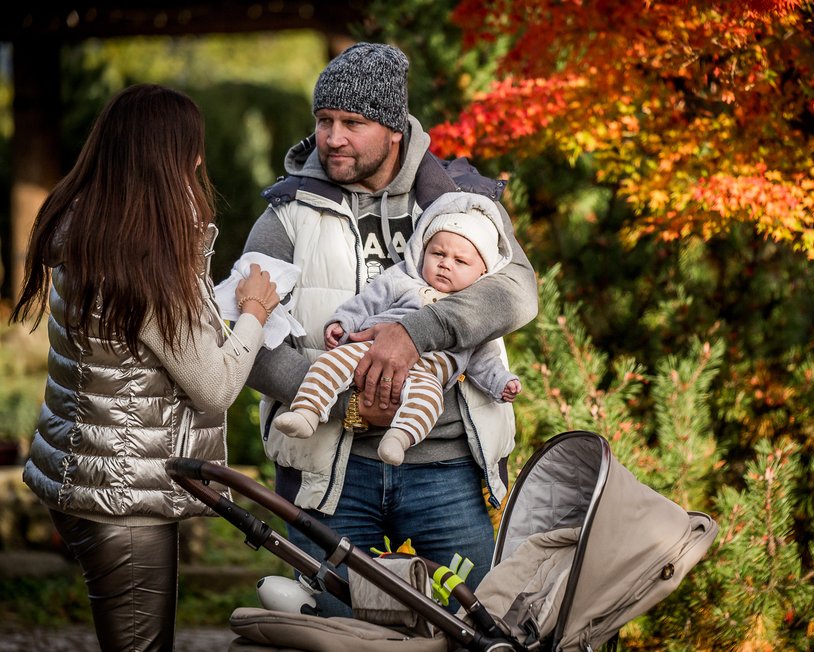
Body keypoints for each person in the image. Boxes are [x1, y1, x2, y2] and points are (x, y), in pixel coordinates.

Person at [242, 42, 538, 614]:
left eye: (352, 123)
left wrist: (414, 333)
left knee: (477, 628)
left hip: (446, 471)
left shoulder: (461, 200)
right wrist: (350, 399)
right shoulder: (286, 213)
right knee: (330, 635)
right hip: (330, 475)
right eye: (324, 121)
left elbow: (517, 292)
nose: (332, 137)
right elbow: (251, 344)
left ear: (395, 129)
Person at [10, 83, 280, 652]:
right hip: (122, 499)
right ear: (171, 157)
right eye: (192, 147)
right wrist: (254, 310)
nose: (201, 159)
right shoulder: (142, 262)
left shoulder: (88, 226)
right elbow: (214, 386)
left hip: (85, 477)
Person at [272, 191, 523, 465]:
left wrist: (501, 383)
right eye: (437, 253)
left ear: (482, 272)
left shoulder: (473, 312)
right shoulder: (402, 280)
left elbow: (486, 361)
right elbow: (367, 302)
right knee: (330, 362)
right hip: (369, 351)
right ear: (421, 251)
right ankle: (307, 411)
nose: (445, 264)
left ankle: (398, 439)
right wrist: (343, 323)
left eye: (460, 261)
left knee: (428, 402)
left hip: (427, 375)